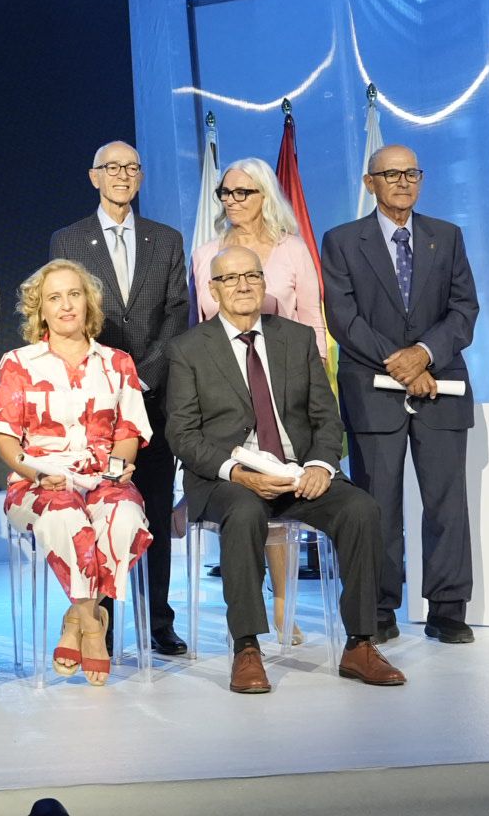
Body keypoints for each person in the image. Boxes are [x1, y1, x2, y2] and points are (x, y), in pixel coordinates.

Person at [165, 246, 406, 694]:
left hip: (296, 474)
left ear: (263, 283)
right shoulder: (187, 349)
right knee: (244, 512)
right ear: (213, 289)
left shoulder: (295, 338)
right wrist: (238, 473)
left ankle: (360, 643)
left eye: (251, 276)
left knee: (361, 510)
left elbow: (326, 419)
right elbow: (182, 434)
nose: (242, 285)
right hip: (227, 478)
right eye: (230, 278)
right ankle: (247, 647)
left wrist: (318, 465)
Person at [322, 145, 479, 645]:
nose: (403, 182)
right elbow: (344, 320)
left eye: (411, 173)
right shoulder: (343, 241)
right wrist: (403, 362)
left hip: (441, 387)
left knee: (446, 503)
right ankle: (379, 607)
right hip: (374, 390)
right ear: (370, 183)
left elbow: (464, 310)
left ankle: (448, 607)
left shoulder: (446, 237)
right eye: (391, 174)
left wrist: (425, 354)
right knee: (377, 505)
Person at [49, 140, 190, 657]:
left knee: (151, 505)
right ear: (94, 177)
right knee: (102, 509)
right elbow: (67, 316)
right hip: (92, 403)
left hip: (152, 396)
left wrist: (141, 378)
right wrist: (109, 383)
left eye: (132, 168)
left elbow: (178, 315)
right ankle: (99, 620)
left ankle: (159, 620)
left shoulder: (166, 239)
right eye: (112, 168)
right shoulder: (69, 238)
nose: (122, 176)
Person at [0, 260, 151, 686]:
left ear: (88, 301)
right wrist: (36, 474)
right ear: (40, 309)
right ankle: (95, 627)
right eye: (54, 298)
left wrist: (118, 469)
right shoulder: (18, 363)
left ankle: (76, 619)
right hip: (37, 482)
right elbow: (6, 442)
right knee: (67, 519)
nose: (65, 305)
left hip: (102, 478)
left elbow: (128, 431)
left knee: (124, 517)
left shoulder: (117, 362)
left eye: (73, 294)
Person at [191, 156, 328, 644]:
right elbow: (201, 330)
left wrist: (317, 389)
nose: (231, 201)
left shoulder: (292, 252)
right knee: (244, 504)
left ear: (265, 196)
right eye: (225, 193)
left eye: (241, 193)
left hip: (285, 392)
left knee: (283, 498)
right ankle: (245, 614)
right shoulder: (206, 252)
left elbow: (312, 321)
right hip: (227, 397)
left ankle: (284, 610)